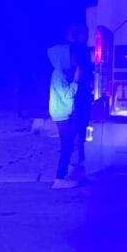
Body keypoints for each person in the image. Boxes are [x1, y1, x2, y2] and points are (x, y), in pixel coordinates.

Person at [47, 39, 82, 189]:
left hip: (61, 114)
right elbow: (68, 94)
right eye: (70, 57)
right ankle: (60, 178)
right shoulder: (59, 74)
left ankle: (65, 170)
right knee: (66, 146)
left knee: (68, 143)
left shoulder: (59, 73)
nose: (73, 60)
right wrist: (76, 80)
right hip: (62, 116)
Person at [67, 24, 93, 176]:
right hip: (80, 93)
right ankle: (78, 157)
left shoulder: (75, 49)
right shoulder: (80, 50)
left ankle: (78, 156)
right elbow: (83, 71)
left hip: (80, 93)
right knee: (80, 126)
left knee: (79, 126)